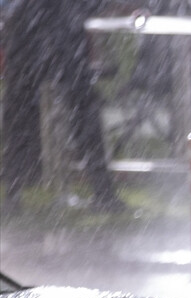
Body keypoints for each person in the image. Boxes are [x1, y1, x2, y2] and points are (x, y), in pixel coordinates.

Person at [0, 0, 127, 213]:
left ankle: (14, 193)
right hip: (60, 29)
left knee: (21, 115)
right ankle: (104, 193)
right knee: (82, 111)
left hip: (34, 28)